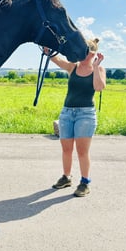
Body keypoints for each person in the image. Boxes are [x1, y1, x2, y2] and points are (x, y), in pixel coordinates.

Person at [45, 38, 106, 197]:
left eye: (87, 53)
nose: (82, 56)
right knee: (66, 149)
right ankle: (66, 177)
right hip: (67, 113)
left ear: (93, 54)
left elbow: (99, 87)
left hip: (85, 114)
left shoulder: (98, 70)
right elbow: (56, 59)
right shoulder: (73, 67)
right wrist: (48, 48)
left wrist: (96, 66)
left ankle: (85, 182)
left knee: (82, 151)